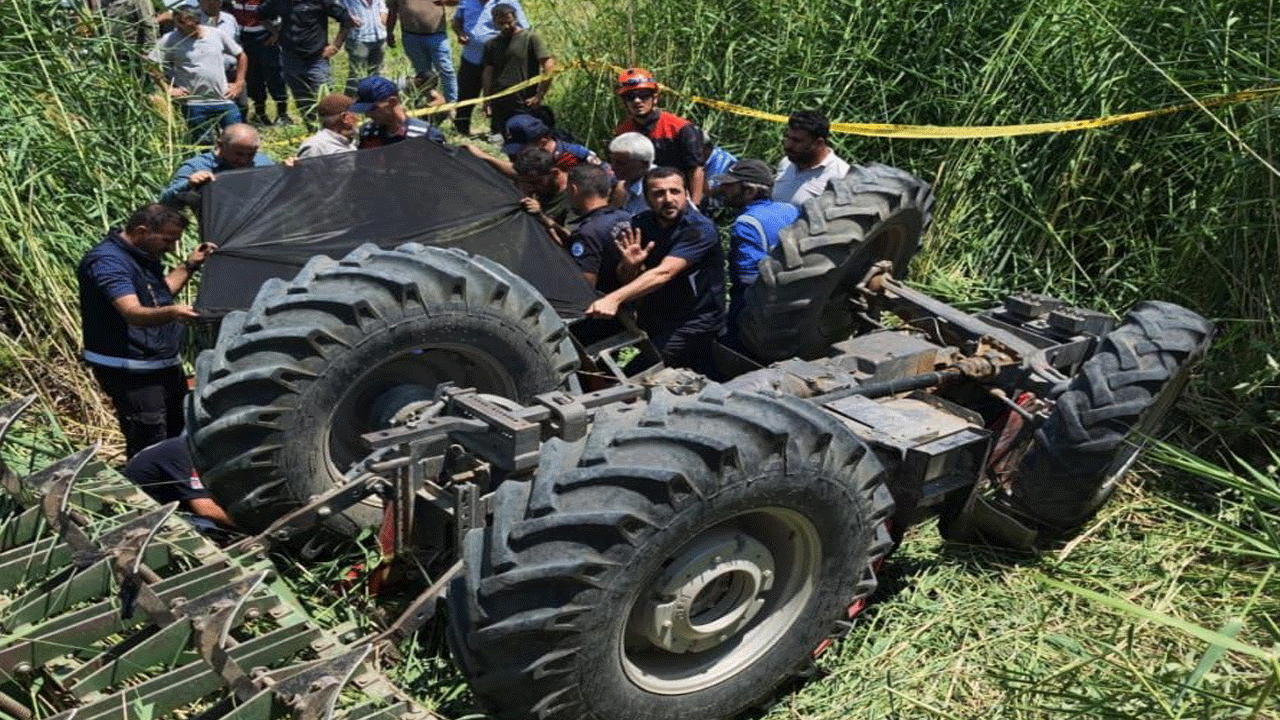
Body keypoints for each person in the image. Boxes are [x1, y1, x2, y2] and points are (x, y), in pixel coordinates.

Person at [77, 204, 215, 459]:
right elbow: (133, 313)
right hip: (131, 369)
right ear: (142, 230)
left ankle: (176, 489)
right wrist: (175, 312)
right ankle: (150, 493)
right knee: (149, 438)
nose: (171, 248)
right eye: (167, 240)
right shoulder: (108, 263)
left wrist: (189, 266)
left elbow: (157, 296)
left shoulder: (141, 254)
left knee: (178, 430)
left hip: (160, 363)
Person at [586, 167, 725, 373]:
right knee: (612, 366)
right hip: (654, 317)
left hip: (694, 322)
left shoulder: (698, 229)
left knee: (638, 369)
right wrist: (629, 265)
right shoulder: (641, 224)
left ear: (685, 193)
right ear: (648, 199)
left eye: (675, 191)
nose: (668, 199)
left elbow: (664, 273)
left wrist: (613, 299)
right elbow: (628, 278)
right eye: (659, 194)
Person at [712, 158, 800, 334]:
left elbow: (748, 279)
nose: (723, 189)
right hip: (794, 299)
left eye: (730, 186)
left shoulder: (746, 223)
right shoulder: (790, 209)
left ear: (750, 191)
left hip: (760, 310)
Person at [148, 5, 247, 142]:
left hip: (223, 99)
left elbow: (241, 55)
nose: (178, 27)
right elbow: (151, 63)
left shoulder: (216, 34)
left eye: (184, 23)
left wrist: (239, 83)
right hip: (194, 103)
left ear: (197, 21)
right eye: (177, 22)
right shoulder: (169, 39)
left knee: (235, 140)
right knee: (203, 144)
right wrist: (167, 88)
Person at [612, 68, 706, 206]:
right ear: (624, 102)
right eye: (630, 97)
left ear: (655, 98)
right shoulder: (623, 131)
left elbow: (696, 170)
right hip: (641, 195)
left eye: (643, 95)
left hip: (678, 193)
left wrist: (695, 206)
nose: (637, 101)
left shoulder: (680, 128)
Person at [256, 0, 358, 120]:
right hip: (291, 59)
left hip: (317, 58)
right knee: (302, 101)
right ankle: (312, 129)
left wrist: (336, 46)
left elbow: (346, 19)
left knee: (325, 100)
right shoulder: (278, 2)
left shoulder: (319, 2)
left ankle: (331, 127)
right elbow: (260, 14)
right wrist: (276, 32)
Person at [123, 435, 237, 529]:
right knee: (208, 527)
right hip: (146, 508)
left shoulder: (190, 442)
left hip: (168, 496)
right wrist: (240, 526)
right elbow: (204, 509)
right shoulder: (186, 456)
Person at [452, 0, 528, 136]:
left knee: (499, 95)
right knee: (466, 94)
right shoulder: (466, 2)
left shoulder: (508, 2)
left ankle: (497, 131)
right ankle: (460, 129)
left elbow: (523, 28)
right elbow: (457, 21)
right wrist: (459, 33)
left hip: (499, 61)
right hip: (471, 57)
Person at [160, 123, 275, 209]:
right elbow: (165, 202)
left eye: (250, 154)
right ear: (220, 145)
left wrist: (288, 173)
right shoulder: (198, 166)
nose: (243, 160)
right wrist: (189, 184)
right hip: (220, 232)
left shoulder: (263, 162)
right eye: (238, 154)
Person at [480, 3, 552, 137]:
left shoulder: (530, 38)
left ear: (515, 18)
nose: (505, 26)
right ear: (494, 22)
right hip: (499, 101)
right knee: (499, 139)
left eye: (508, 22)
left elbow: (548, 66)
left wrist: (539, 96)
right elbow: (488, 73)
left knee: (524, 138)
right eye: (500, 23)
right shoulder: (492, 44)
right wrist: (487, 100)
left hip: (523, 101)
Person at [467, 114, 602, 179]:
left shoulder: (570, 156)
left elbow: (520, 173)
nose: (518, 155)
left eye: (522, 149)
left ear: (543, 142)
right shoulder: (542, 154)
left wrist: (484, 156)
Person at [227, 0, 293, 125]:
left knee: (274, 75)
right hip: (244, 39)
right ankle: (260, 113)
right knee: (253, 78)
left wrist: (277, 33)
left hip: (265, 38)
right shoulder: (233, 2)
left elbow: (286, 12)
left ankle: (282, 114)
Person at [565, 164, 630, 289]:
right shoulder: (626, 217)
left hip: (602, 303)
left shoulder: (587, 232)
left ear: (574, 189)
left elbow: (584, 285)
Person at [772, 109, 851, 206]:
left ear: (819, 143)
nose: (788, 145)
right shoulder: (787, 162)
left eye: (796, 141)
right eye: (787, 137)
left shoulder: (841, 175)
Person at [387, 0, 459, 105]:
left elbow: (456, 2)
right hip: (411, 36)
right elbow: (392, 11)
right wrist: (389, 32)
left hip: (437, 36)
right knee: (423, 74)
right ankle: (430, 101)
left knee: (446, 70)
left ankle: (452, 103)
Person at [352, 75, 446, 147]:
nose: (368, 115)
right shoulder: (368, 133)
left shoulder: (425, 135)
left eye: (373, 109)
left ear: (392, 102)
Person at [513, 147, 572, 241]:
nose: (531, 187)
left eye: (535, 183)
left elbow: (573, 237)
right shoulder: (542, 182)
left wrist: (541, 215)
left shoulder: (576, 195)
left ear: (555, 173)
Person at [342, 0, 388, 95]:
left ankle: (374, 100)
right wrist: (348, 18)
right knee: (356, 75)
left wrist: (382, 18)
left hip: (379, 37)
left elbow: (383, 8)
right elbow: (340, 11)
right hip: (359, 40)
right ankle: (351, 103)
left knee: (377, 72)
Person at [608, 131, 654, 215]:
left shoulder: (657, 188)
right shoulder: (623, 184)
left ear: (644, 164)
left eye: (621, 163)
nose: (613, 167)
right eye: (612, 161)